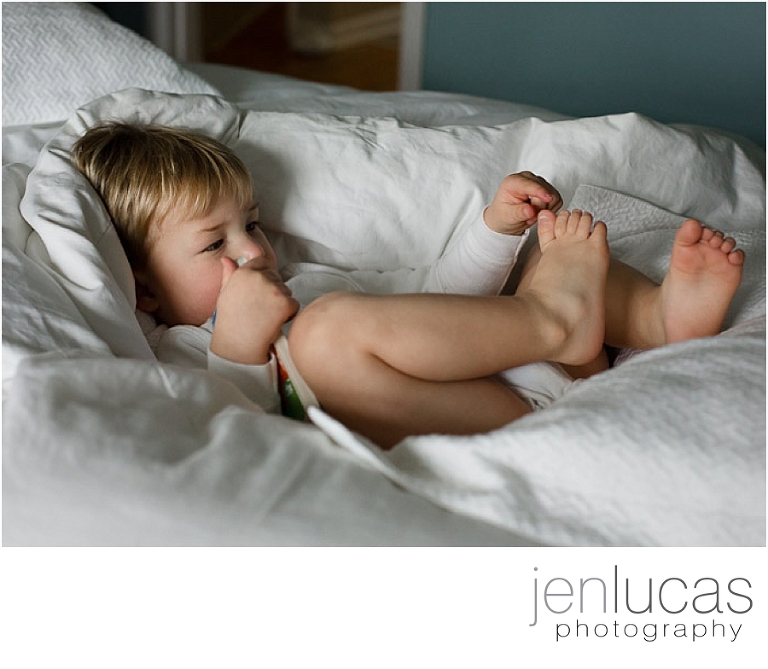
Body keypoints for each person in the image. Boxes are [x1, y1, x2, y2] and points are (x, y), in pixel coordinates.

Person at [72, 123, 745, 448]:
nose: (254, 250)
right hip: (493, 413)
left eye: (251, 223)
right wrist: (240, 352)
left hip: (536, 359)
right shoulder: (177, 356)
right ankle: (557, 318)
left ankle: (660, 322)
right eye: (214, 243)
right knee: (325, 335)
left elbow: (434, 299)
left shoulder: (308, 281)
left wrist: (495, 230)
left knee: (544, 248)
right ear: (146, 291)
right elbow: (231, 439)